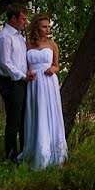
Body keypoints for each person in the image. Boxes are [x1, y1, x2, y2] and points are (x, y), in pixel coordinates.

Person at [20, 14, 68, 169]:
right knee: (36, 114)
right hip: (34, 84)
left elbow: (56, 65)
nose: (48, 29)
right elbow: (23, 65)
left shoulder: (52, 45)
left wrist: (52, 69)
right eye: (44, 26)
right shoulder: (27, 45)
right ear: (36, 27)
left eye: (48, 26)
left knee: (50, 114)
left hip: (49, 83)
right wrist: (27, 73)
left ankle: (53, 153)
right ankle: (36, 152)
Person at [0, 4, 35, 161]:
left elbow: (20, 61)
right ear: (13, 18)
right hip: (11, 83)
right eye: (23, 19)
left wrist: (28, 72)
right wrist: (23, 76)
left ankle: (24, 154)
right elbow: (5, 63)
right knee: (13, 121)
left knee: (24, 119)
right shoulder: (4, 37)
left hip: (21, 81)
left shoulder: (19, 37)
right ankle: (11, 157)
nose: (25, 22)